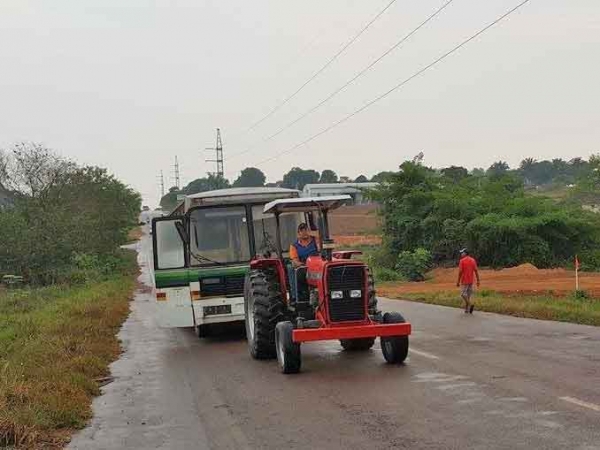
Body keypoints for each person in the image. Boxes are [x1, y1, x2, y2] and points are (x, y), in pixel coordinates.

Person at [288, 223, 320, 301]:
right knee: (297, 271)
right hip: (304, 268)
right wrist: (305, 265)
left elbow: (321, 251)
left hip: (317, 267)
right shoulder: (294, 246)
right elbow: (295, 261)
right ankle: (300, 298)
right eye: (302, 230)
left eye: (306, 230)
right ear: (298, 233)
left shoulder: (316, 240)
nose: (304, 232)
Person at [456, 248, 480, 314]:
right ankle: (466, 309)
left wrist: (458, 281)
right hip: (470, 281)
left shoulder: (462, 261)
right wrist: (478, 280)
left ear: (465, 253)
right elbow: (476, 271)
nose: (461, 254)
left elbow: (460, 272)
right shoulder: (473, 260)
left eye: (462, 253)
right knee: (468, 295)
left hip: (464, 281)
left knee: (463, 294)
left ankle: (470, 304)